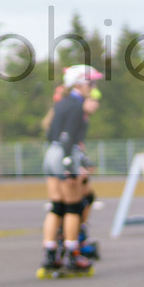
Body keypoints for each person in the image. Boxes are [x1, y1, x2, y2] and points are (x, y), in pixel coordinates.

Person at [40, 64, 103, 274]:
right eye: (90, 83)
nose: (93, 88)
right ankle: (72, 253)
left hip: (51, 153)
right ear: (79, 83)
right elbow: (68, 137)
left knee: (56, 207)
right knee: (73, 208)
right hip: (64, 154)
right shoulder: (76, 104)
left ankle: (50, 252)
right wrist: (69, 164)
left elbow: (52, 134)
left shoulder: (61, 103)